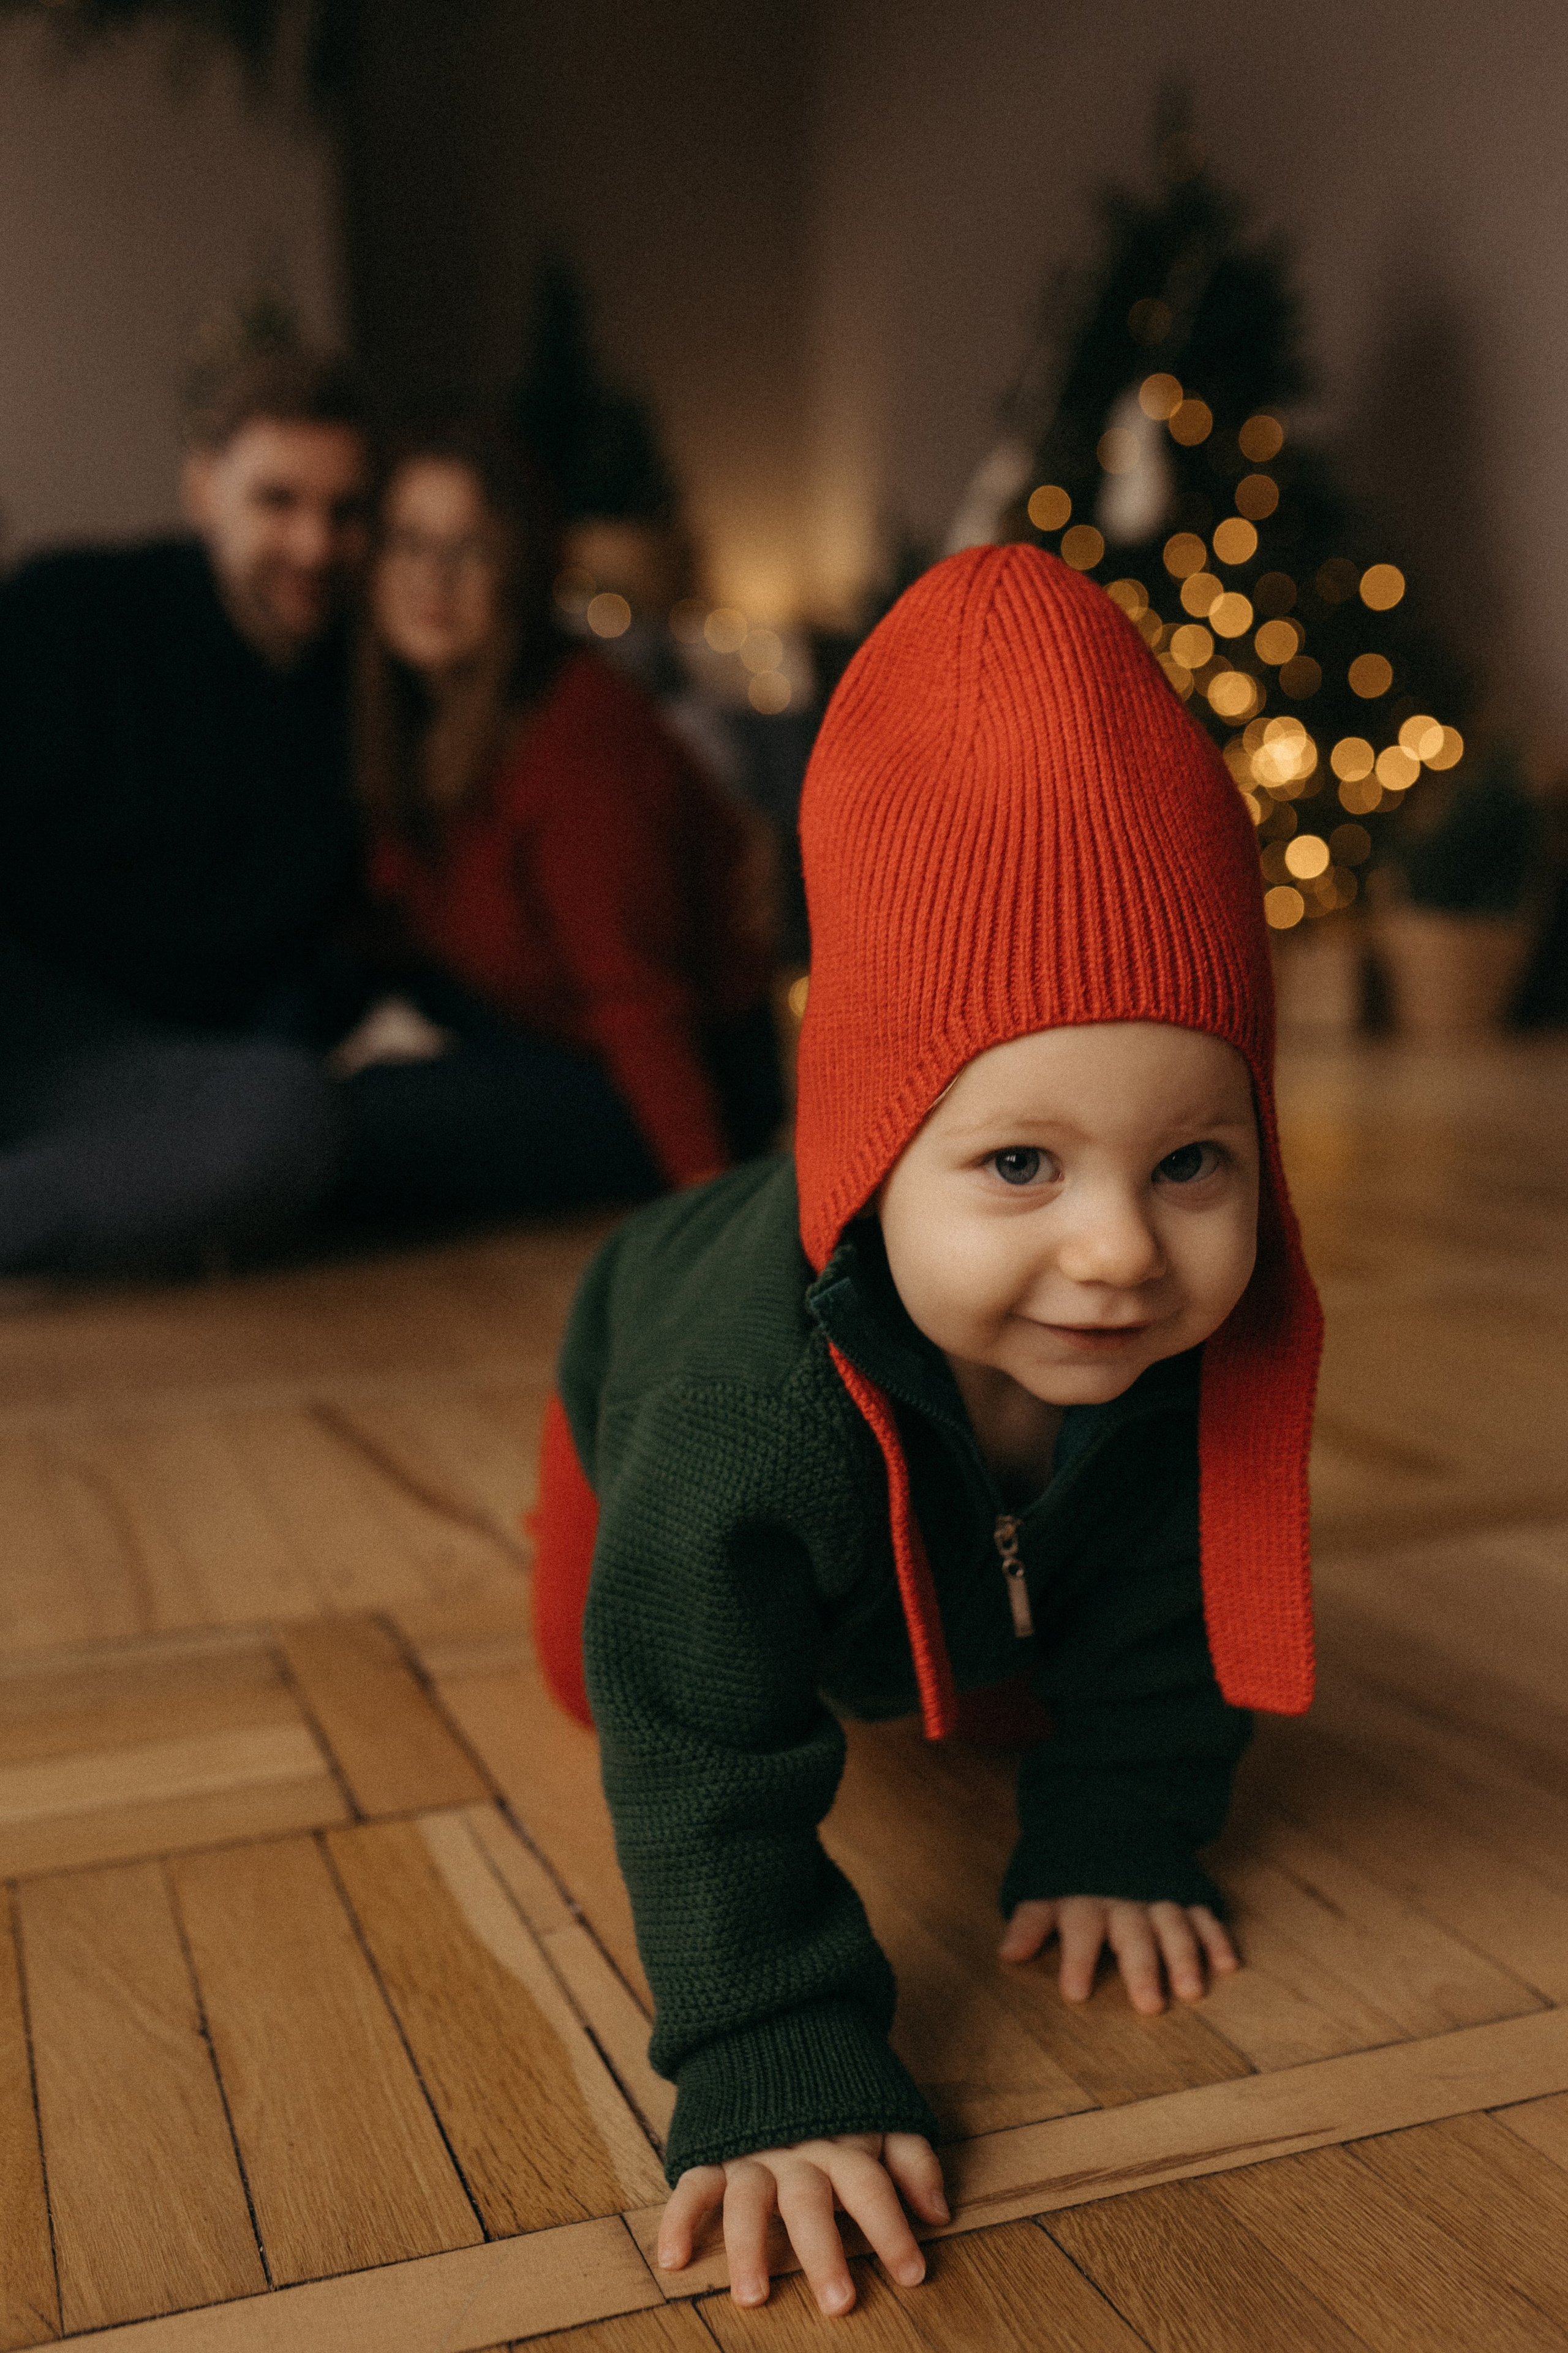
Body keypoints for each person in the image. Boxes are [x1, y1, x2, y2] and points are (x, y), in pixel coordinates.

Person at [527, 545, 1323, 2315]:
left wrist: (1120, 1824)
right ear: (878, 1145)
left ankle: (972, 1604)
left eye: (1192, 1159)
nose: (1120, 1251)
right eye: (1019, 1163)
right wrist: (769, 2054)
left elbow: (1181, 1598)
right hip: (628, 1385)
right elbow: (697, 1748)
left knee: (1035, 1622)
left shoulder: (1195, 1333)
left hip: (956, 1478)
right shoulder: (731, 1413)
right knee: (619, 1674)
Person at [337, 424, 781, 1223]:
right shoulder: (407, 719)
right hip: (540, 1030)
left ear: (519, 571)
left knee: (361, 1121)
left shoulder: (578, 731)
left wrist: (712, 1217)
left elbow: (639, 997)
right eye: (408, 543)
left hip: (670, 1072)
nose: (431, 578)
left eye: (470, 549)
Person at [0, 344, 369, 1272]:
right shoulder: (69, 615)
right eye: (277, 501)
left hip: (141, 1070)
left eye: (346, 511)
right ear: (205, 490)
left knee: (289, 1118)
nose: (315, 546)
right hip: (18, 997)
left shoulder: (373, 698)